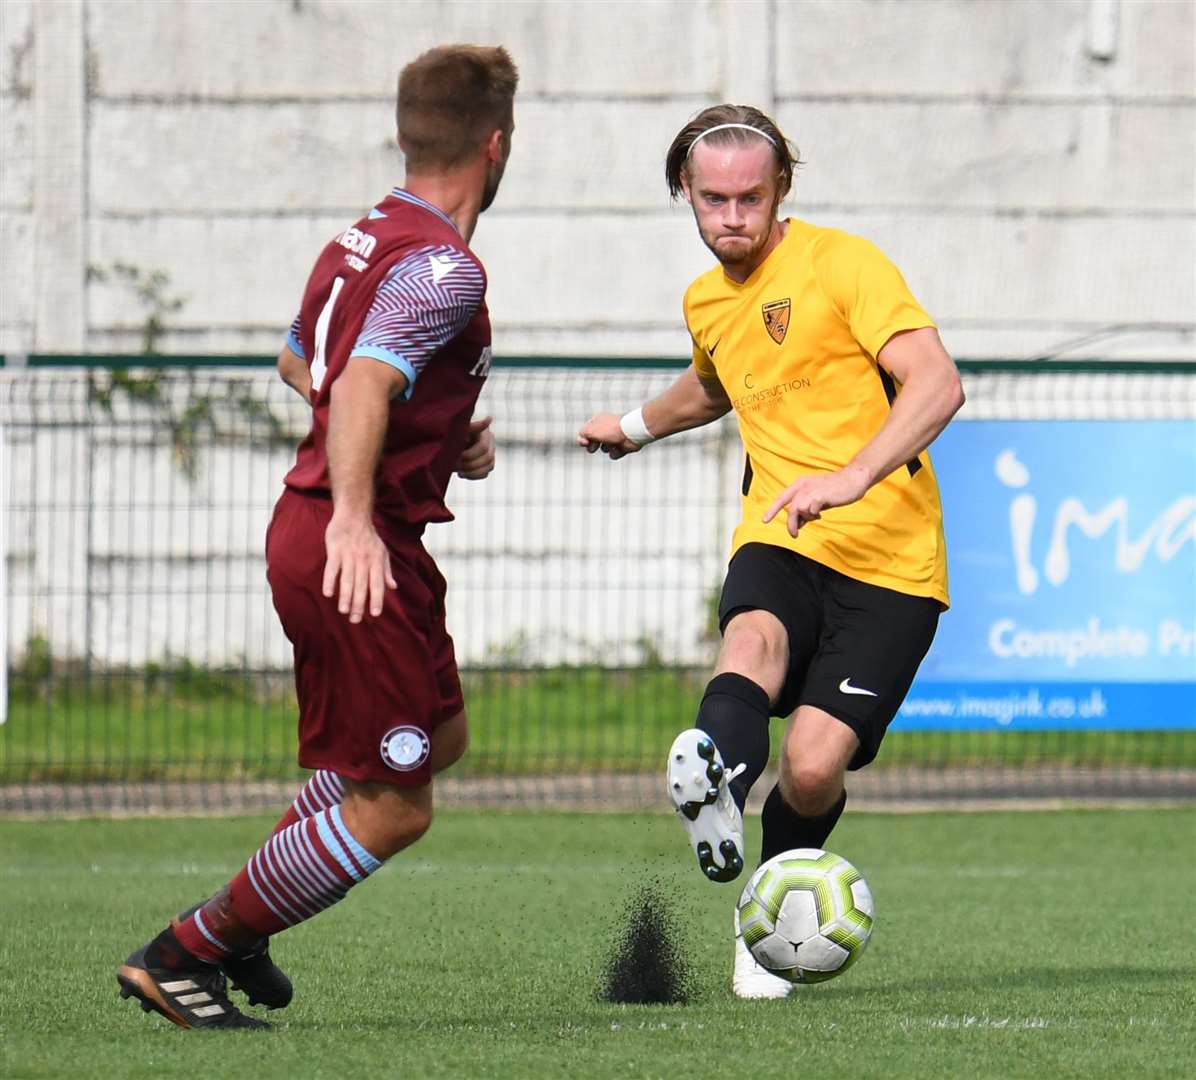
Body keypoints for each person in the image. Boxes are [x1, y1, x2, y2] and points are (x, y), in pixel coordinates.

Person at [116, 44, 518, 1029]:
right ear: (496, 146)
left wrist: (434, 433)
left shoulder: (361, 235)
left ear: (406, 132)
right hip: (351, 548)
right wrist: (351, 514)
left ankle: (246, 922)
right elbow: (361, 381)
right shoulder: (442, 267)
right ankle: (188, 951)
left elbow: (304, 364)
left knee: (440, 739)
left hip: (369, 540)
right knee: (396, 804)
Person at [577, 104, 964, 999]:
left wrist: (855, 475)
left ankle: (767, 909)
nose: (732, 217)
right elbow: (715, 384)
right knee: (749, 638)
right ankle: (717, 780)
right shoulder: (706, 300)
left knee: (816, 766)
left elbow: (937, 382)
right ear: (687, 193)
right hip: (779, 534)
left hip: (892, 560)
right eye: (713, 199)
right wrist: (633, 428)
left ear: (780, 187)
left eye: (750, 197)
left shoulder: (844, 264)